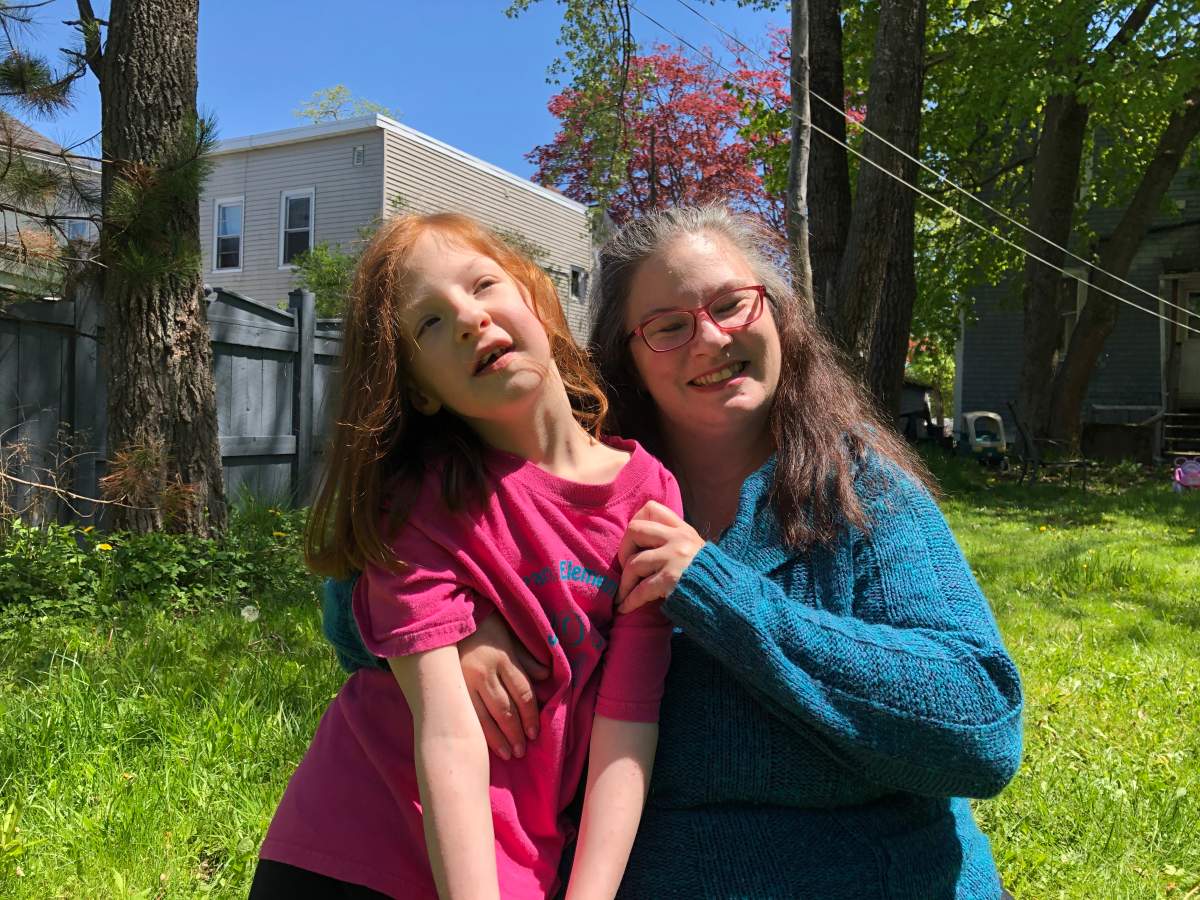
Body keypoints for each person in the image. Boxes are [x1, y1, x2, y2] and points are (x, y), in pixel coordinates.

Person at [326, 205, 1025, 898]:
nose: (711, 339)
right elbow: (360, 608)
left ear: (778, 315)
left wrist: (726, 598)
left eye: (732, 304)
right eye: (668, 327)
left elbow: (982, 730)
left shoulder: (861, 492)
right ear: (627, 357)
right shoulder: (588, 489)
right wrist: (469, 624)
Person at [252, 212, 682, 900]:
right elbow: (447, 734)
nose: (466, 318)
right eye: (429, 323)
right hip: (351, 849)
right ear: (420, 390)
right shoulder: (418, 504)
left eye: (483, 284)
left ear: (538, 300)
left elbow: (627, 718)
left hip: (523, 860)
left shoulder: (651, 496)